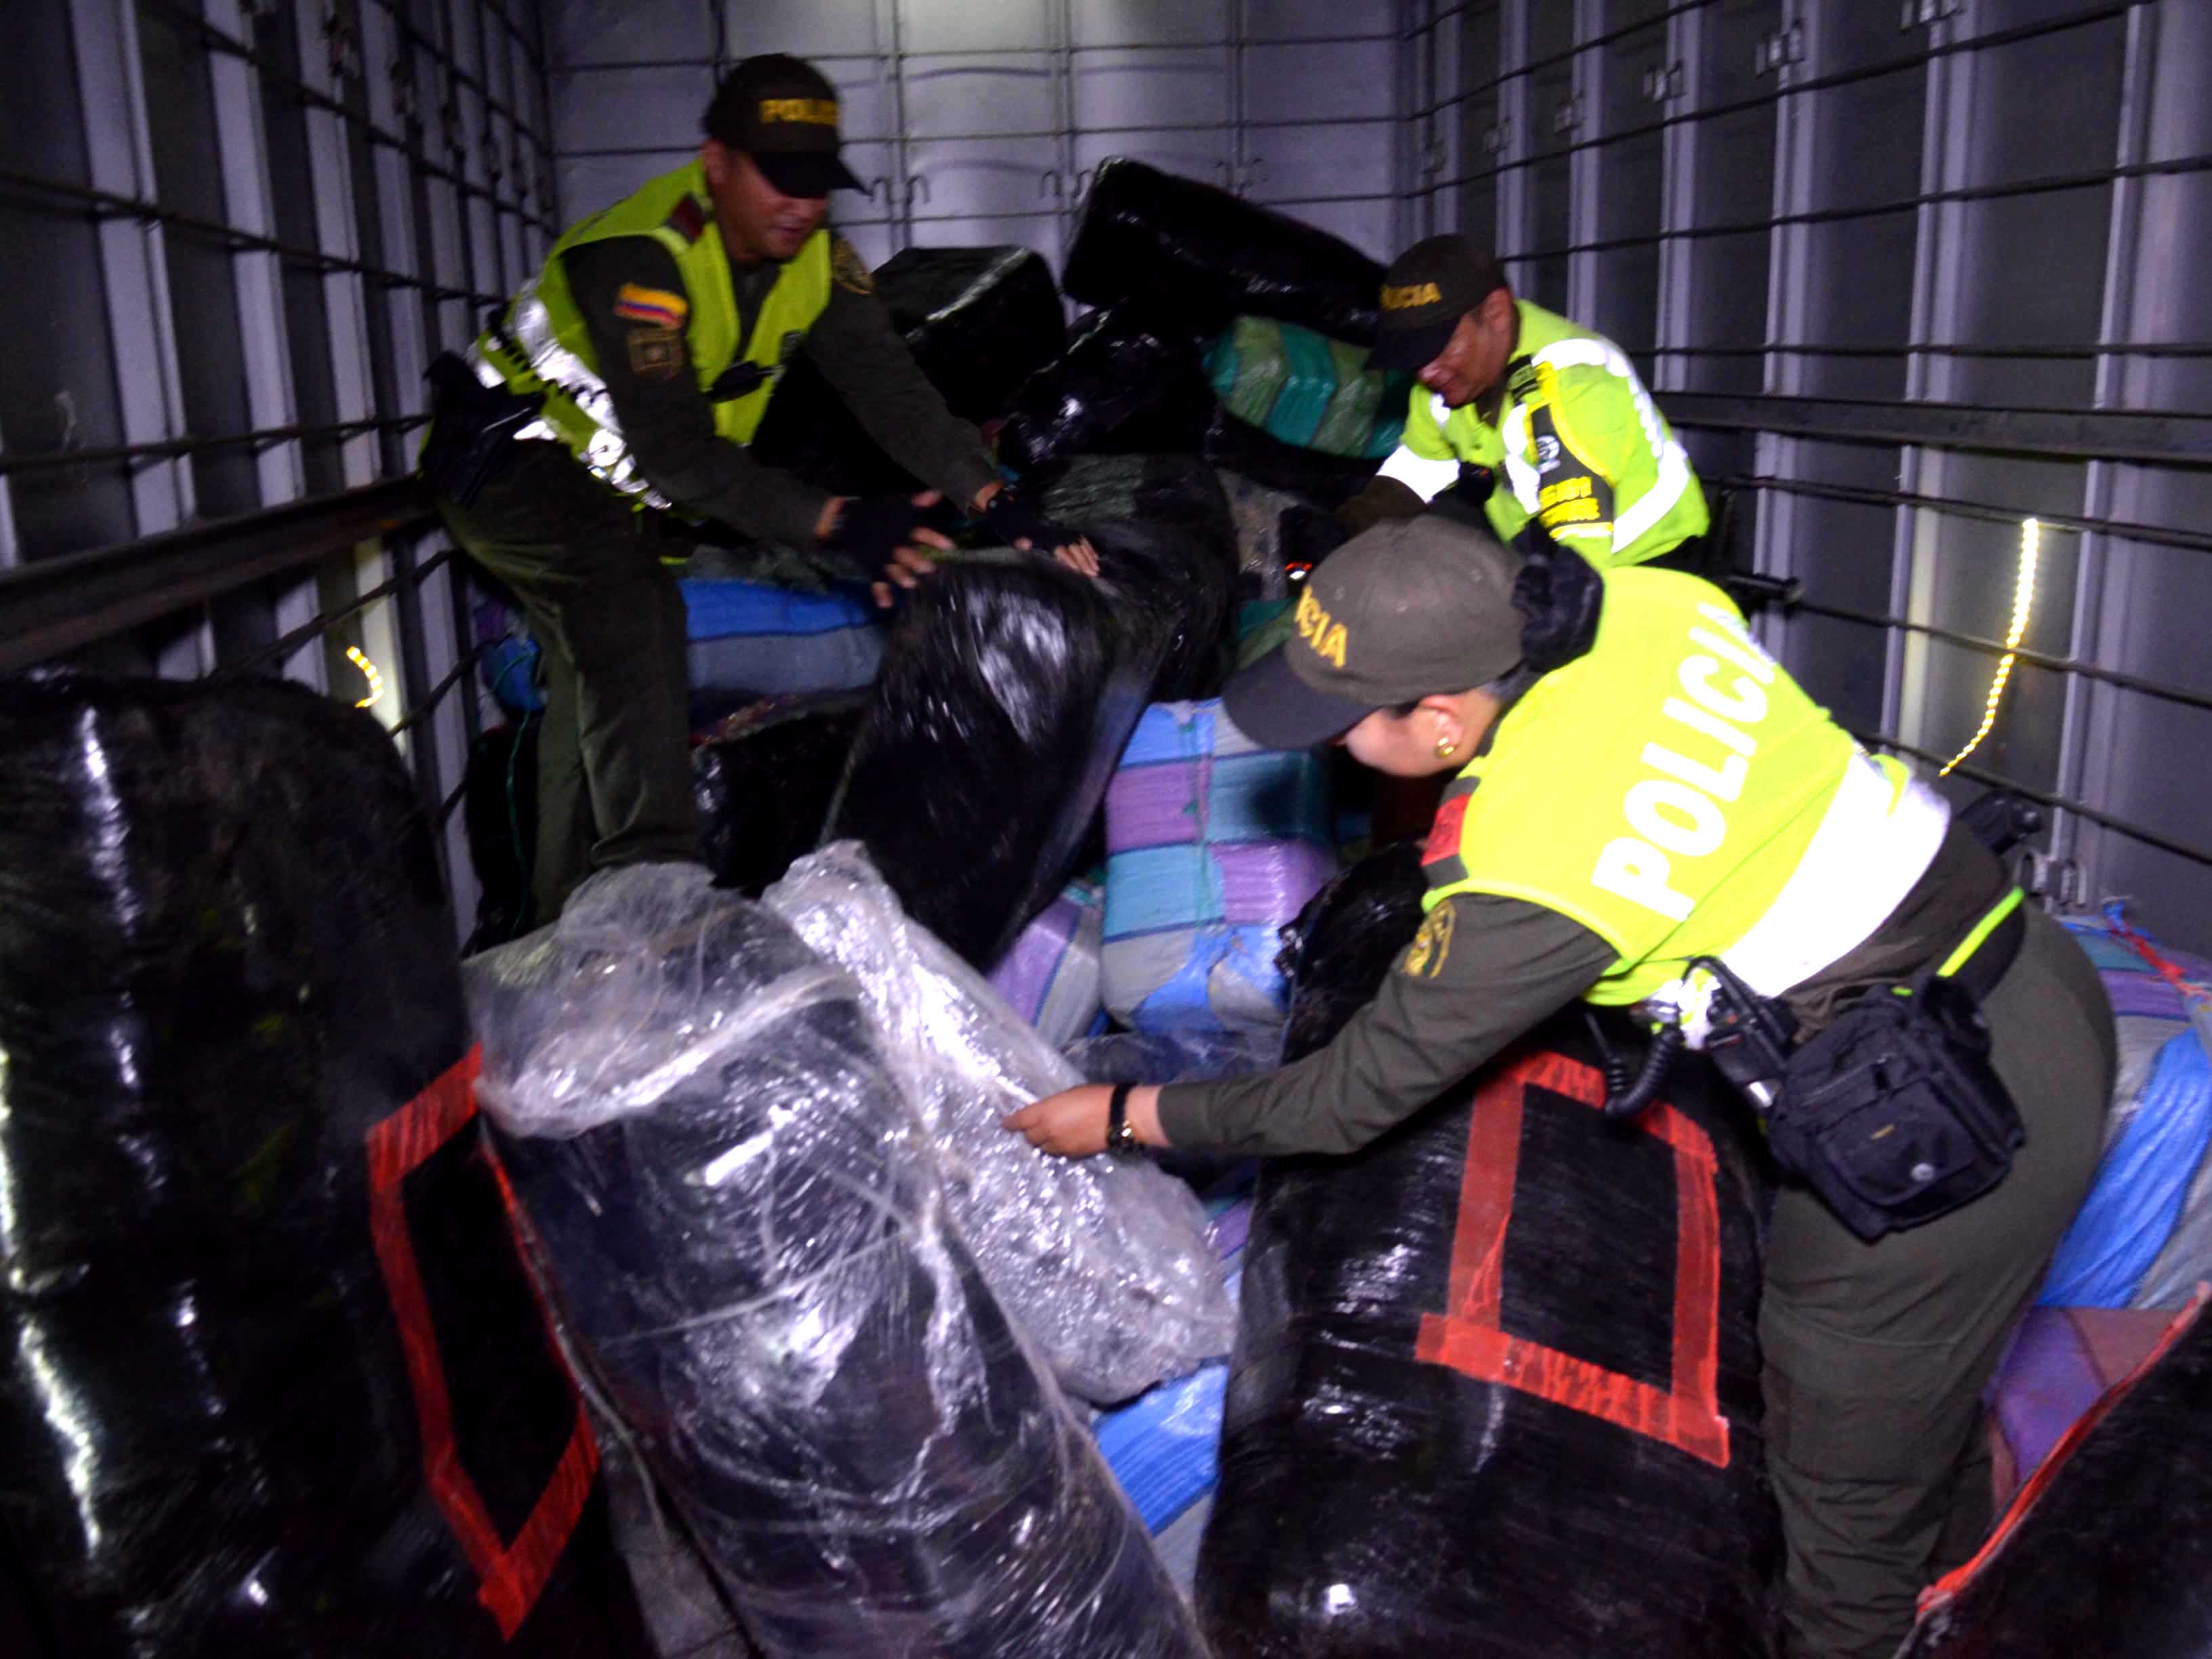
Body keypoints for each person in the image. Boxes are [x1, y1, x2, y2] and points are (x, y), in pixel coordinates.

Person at [1005, 516, 2114, 1659]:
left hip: (1943, 1119)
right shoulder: (1647, 604)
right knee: (1896, 1404)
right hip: (2021, 970)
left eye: (1342, 729)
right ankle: (1962, 1565)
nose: (1330, 751)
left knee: (1835, 1510)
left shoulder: (1533, 862)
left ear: (1438, 719)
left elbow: (1345, 1098)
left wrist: (1132, 1114)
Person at [421, 52, 1093, 923]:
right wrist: (839, 522)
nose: (802, 205)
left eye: (818, 183)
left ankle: (559, 925)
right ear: (716, 163)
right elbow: (678, 454)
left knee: (592, 686)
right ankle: (650, 895)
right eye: (780, 180)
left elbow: (896, 397)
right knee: (634, 613)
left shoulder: (818, 260)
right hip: (510, 463)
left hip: (604, 492)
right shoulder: (644, 257)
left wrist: (998, 503)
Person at [1338, 234, 1708, 569]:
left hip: (1652, 571)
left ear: (1496, 314)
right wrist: (1343, 530)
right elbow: (1422, 469)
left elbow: (1579, 553)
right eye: (1414, 355)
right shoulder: (1448, 382)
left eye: (1438, 347)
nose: (1426, 372)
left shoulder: (1576, 384)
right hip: (1543, 552)